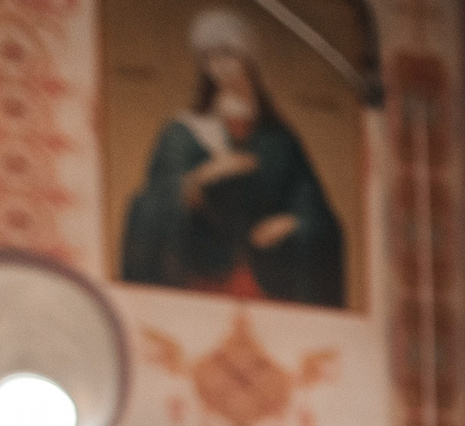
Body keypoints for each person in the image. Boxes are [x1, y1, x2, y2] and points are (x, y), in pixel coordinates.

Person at [119, 9, 346, 307]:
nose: (220, 67)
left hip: (269, 280)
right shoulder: (183, 131)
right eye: (210, 58)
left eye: (228, 55)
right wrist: (200, 179)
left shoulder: (279, 140)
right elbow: (151, 204)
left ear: (246, 60)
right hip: (203, 279)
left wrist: (291, 222)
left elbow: (317, 213)